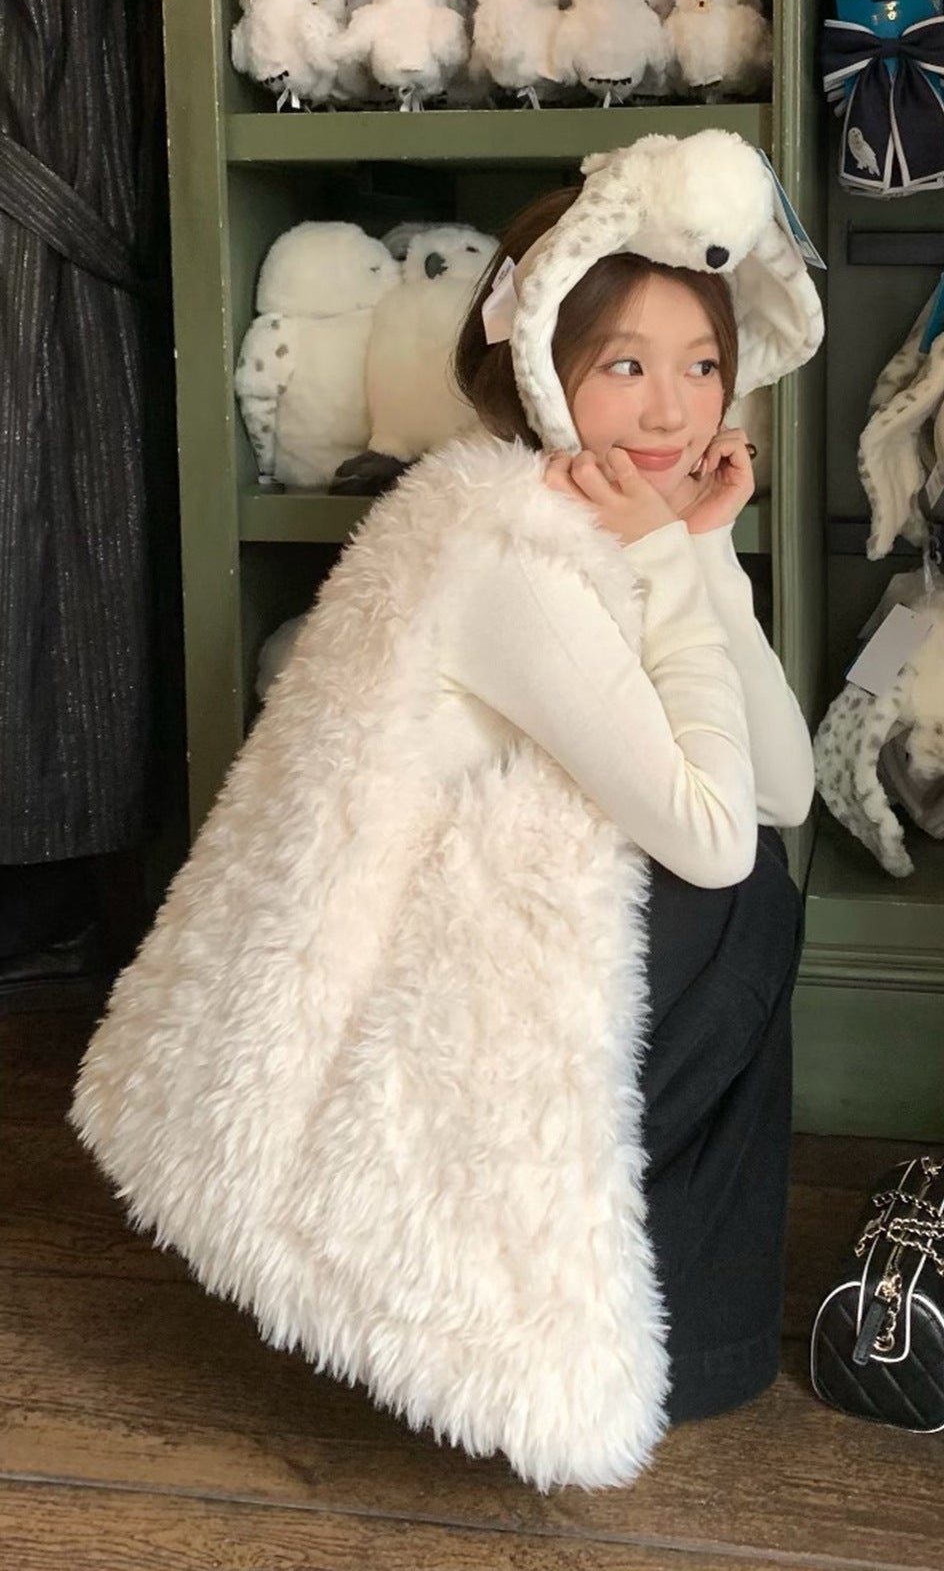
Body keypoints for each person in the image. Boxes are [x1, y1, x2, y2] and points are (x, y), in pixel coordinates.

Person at [70, 129, 824, 1492]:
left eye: (704, 365)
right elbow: (720, 835)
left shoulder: (613, 521)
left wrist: (702, 554)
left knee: (754, 881)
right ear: (546, 370)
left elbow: (784, 784)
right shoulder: (514, 550)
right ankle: (539, 1288)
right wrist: (671, 557)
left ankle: (699, 1341)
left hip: (482, 941)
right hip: (411, 1010)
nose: (672, 410)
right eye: (626, 366)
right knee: (739, 896)